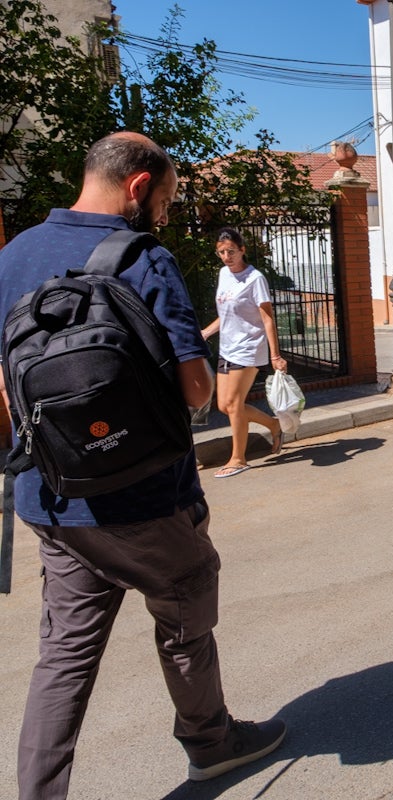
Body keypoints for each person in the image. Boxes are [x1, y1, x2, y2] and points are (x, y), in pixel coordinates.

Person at [0, 132, 286, 798]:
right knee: (185, 604)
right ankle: (212, 744)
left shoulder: (12, 256)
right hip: (147, 499)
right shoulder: (143, 259)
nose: (165, 213)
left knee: (64, 659)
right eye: (165, 199)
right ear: (137, 185)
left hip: (52, 498)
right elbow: (196, 393)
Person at [200, 227, 287, 478]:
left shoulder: (254, 278)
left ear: (242, 250)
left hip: (249, 346)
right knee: (224, 405)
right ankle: (273, 425)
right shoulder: (223, 275)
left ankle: (239, 458)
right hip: (227, 346)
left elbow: (267, 319)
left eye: (231, 251)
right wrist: (206, 333)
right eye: (222, 252)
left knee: (235, 404)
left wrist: (275, 356)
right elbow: (227, 314)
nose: (227, 256)